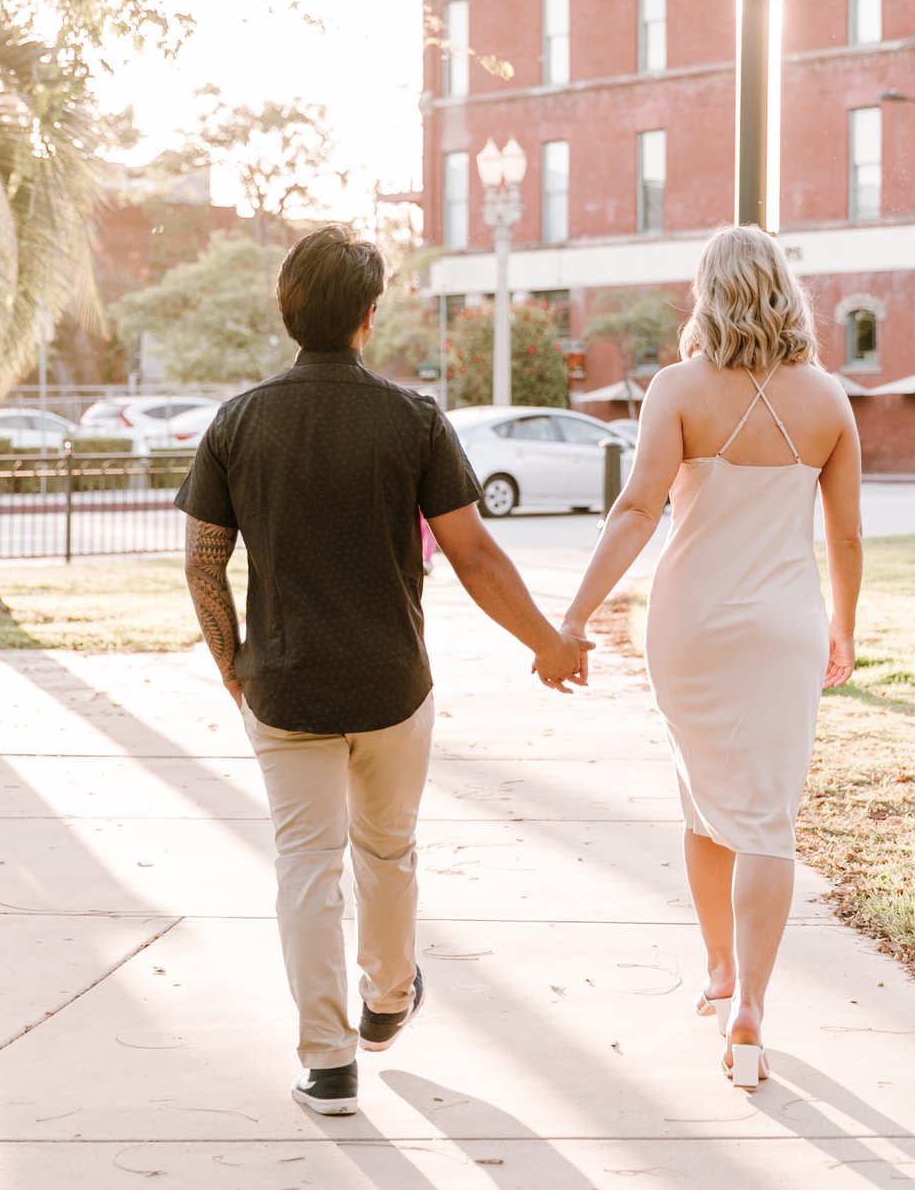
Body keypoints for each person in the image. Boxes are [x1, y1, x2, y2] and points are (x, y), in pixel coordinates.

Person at [177, 225, 592, 1117]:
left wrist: (231, 663)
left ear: (287, 310)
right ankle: (389, 997)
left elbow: (203, 562)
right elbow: (475, 554)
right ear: (369, 316)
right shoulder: (414, 419)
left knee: (304, 866)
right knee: (387, 850)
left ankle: (328, 1065)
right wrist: (547, 642)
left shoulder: (238, 421)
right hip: (394, 687)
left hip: (282, 686)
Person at [555, 225, 863, 1088]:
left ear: (709, 292)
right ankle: (749, 1002)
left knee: (701, 802)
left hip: (688, 626)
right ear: (784, 291)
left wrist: (577, 614)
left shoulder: (678, 387)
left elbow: (635, 510)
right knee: (762, 813)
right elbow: (846, 532)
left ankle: (723, 969)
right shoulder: (830, 399)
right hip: (785, 628)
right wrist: (845, 624)